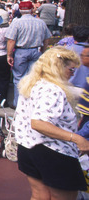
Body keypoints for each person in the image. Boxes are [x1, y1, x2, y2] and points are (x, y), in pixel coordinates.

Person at [14, 47, 89, 199]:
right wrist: (76, 138)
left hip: (28, 147)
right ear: (59, 67)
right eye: (71, 69)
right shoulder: (53, 90)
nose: (72, 74)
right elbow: (39, 123)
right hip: (53, 151)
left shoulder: (31, 84)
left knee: (39, 195)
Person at [6, 0, 52, 107]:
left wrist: (9, 54)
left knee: (19, 78)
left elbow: (11, 40)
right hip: (36, 50)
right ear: (32, 9)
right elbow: (46, 39)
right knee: (34, 77)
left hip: (21, 51)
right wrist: (43, 51)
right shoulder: (40, 22)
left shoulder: (16, 22)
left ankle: (18, 104)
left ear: (20, 10)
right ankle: (32, 103)